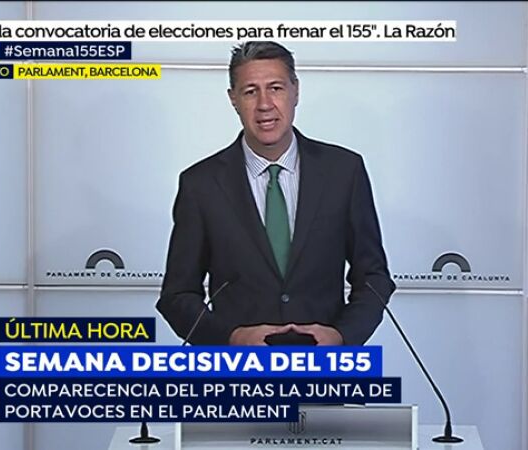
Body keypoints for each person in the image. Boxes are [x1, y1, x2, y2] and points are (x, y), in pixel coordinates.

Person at [156, 41, 395, 346]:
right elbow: (177, 295)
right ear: (233, 99)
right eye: (250, 91)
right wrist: (231, 337)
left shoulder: (344, 172)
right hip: (239, 370)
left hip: (323, 369)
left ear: (296, 91)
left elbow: (373, 278)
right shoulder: (201, 185)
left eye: (276, 88)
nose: (264, 104)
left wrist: (342, 336)